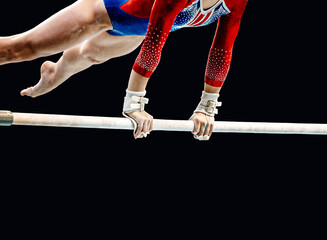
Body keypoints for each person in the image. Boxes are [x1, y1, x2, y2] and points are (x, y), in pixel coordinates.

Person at [0, 0, 247, 140]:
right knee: (20, 49)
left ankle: (50, 75)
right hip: (100, 13)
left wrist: (206, 107)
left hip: (131, 32)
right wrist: (134, 104)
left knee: (85, 58)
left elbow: (222, 50)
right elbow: (155, 41)